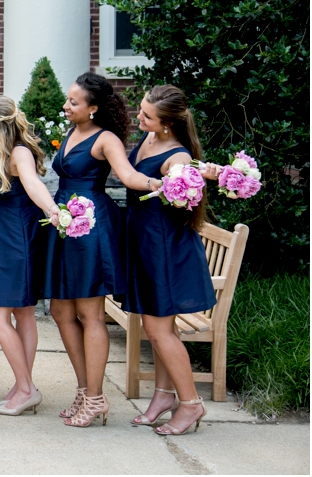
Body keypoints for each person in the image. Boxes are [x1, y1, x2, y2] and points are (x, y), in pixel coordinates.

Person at [46, 72, 164, 428]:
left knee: (89, 313)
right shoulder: (71, 132)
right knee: (60, 310)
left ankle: (96, 397)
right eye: (68, 100)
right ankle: (84, 390)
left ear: (93, 109)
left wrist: (164, 184)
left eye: (74, 102)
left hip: (91, 229)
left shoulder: (105, 138)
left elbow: (128, 177)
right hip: (64, 225)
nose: (66, 106)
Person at [124, 85, 215, 435]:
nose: (139, 117)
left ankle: (191, 404)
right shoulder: (150, 138)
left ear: (166, 124)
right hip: (145, 241)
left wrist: (192, 178)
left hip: (163, 246)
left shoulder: (177, 158)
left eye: (147, 115)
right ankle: (163, 395)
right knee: (159, 328)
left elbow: (183, 201)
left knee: (159, 330)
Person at [0, 96, 59, 416]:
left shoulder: (19, 152)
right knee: (22, 314)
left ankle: (26, 388)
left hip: (17, 239)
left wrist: (52, 209)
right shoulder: (0, 150)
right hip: (3, 234)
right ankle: (22, 385)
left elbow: (34, 184)